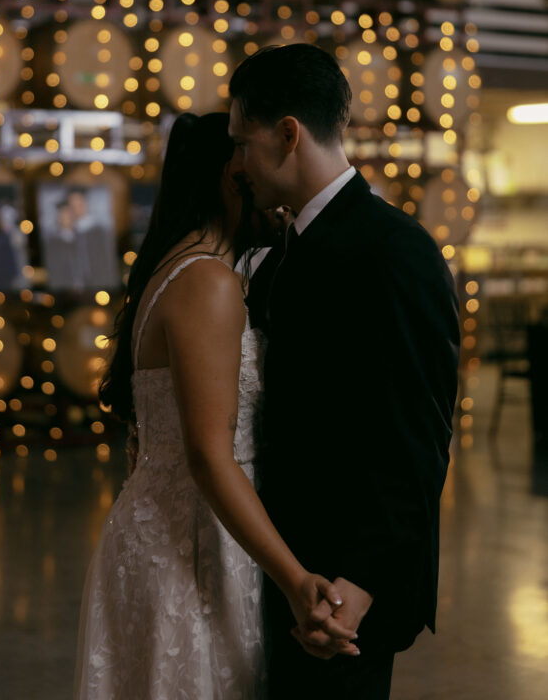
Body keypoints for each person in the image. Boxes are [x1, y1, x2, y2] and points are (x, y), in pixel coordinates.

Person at [74, 112, 357, 700]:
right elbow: (208, 454)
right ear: (232, 181)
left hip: (162, 534)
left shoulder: (171, 267)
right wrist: (295, 580)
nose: (279, 204)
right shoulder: (209, 280)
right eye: (255, 178)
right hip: (194, 546)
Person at [228, 43, 460, 699]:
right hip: (289, 573)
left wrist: (358, 584)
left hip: (342, 592)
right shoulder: (285, 248)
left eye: (243, 143)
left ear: (286, 135)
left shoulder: (394, 250)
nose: (238, 164)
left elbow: (416, 441)